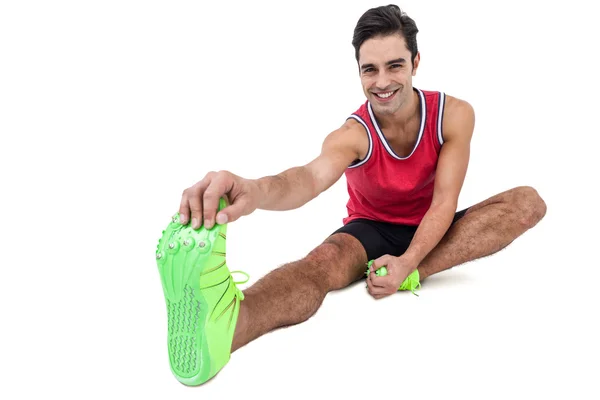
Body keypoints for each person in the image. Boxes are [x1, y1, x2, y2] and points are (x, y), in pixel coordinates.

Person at [156, 4, 547, 386]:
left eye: (395, 65)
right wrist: (254, 190)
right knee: (321, 264)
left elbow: (444, 202)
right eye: (369, 70)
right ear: (359, 72)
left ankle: (411, 274)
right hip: (370, 230)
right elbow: (307, 178)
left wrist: (410, 264)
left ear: (416, 62)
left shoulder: (454, 114)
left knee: (527, 202)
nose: (382, 81)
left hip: (434, 222)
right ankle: (229, 325)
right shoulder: (353, 134)